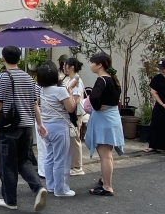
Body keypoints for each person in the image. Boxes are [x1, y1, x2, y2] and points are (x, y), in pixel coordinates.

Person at [0, 46, 48, 212]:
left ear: (3, 58)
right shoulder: (29, 78)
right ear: (19, 58)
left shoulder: (3, 77)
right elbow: (35, 104)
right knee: (24, 160)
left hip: (10, 127)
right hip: (28, 126)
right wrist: (40, 123)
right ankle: (38, 188)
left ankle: (10, 200)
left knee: (7, 164)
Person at [84, 53, 124, 196]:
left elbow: (94, 97)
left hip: (103, 119)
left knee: (104, 155)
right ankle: (105, 180)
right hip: (113, 117)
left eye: (92, 62)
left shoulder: (102, 80)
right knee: (108, 154)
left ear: (99, 64)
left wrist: (97, 106)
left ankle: (107, 186)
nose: (90, 65)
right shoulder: (113, 79)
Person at [37, 62, 76, 197]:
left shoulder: (41, 90)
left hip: (46, 126)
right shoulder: (60, 91)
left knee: (50, 157)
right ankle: (61, 189)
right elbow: (71, 108)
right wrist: (71, 94)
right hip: (59, 126)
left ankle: (51, 186)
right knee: (61, 159)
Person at [64, 58, 86, 175]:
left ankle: (77, 166)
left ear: (71, 67)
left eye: (65, 65)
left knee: (75, 138)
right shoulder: (70, 79)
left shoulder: (77, 80)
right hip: (71, 112)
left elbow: (75, 99)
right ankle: (73, 164)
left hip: (75, 113)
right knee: (72, 138)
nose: (64, 68)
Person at [144, 58, 165, 153]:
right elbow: (154, 92)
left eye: (163, 68)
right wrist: (162, 103)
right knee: (156, 123)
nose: (161, 70)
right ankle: (153, 145)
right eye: (160, 68)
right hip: (160, 104)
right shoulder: (157, 78)